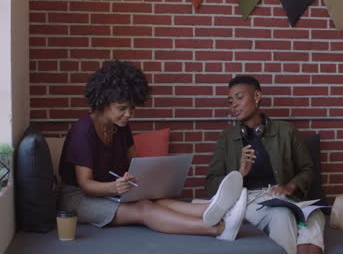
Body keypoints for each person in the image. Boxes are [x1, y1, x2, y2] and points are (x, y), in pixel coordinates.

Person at [58, 60, 247, 240]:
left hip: (109, 190)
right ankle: (219, 229)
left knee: (158, 199)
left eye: (132, 109)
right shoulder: (83, 131)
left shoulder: (121, 127)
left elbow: (136, 165)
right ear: (103, 102)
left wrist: (145, 182)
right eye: (122, 108)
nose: (128, 115)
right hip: (78, 197)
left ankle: (218, 208)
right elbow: (85, 185)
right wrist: (114, 187)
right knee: (144, 208)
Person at [205, 76, 325, 254]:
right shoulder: (227, 138)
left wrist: (291, 186)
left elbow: (307, 169)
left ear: (257, 96)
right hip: (249, 200)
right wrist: (239, 174)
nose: (234, 105)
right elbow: (210, 183)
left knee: (314, 215)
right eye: (230, 101)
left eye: (239, 98)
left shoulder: (286, 131)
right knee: (281, 216)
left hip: (285, 197)